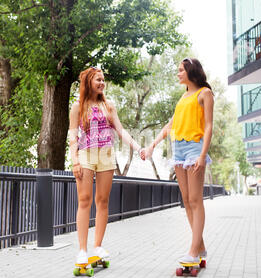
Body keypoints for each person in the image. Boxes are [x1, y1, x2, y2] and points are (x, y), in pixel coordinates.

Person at [140, 58, 214, 264]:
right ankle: (199, 246)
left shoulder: (204, 94)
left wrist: (202, 155)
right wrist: (151, 146)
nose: (178, 73)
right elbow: (169, 125)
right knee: (187, 200)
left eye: (181, 70)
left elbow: (208, 127)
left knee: (195, 200)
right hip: (178, 150)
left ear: (192, 71)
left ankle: (193, 249)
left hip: (194, 148)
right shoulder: (183, 97)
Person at [68, 66, 142, 265]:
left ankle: (97, 246)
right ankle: (82, 250)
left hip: (106, 156)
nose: (102, 83)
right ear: (88, 82)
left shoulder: (108, 105)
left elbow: (121, 131)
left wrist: (138, 147)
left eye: (103, 80)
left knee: (103, 202)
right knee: (84, 200)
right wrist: (75, 161)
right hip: (85, 155)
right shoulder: (78, 107)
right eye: (98, 80)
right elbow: (72, 135)